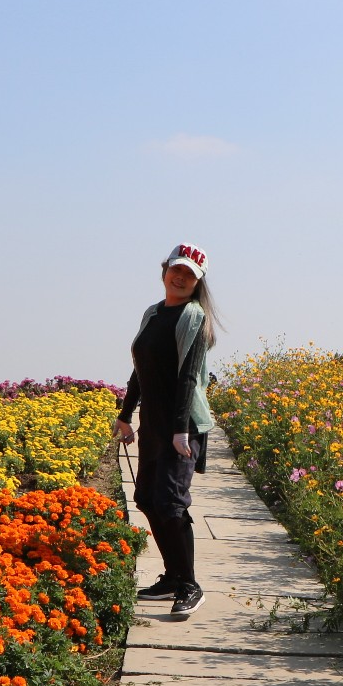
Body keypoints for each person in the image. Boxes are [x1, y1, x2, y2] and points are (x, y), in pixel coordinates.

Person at [113, 242, 218, 620]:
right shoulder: (153, 313)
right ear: (165, 270)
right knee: (147, 498)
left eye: (189, 274)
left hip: (182, 425)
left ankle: (190, 585)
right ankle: (173, 576)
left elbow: (188, 377)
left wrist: (179, 431)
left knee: (171, 503)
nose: (180, 277)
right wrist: (125, 414)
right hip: (155, 423)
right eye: (177, 269)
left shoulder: (194, 317)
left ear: (198, 282)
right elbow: (140, 367)